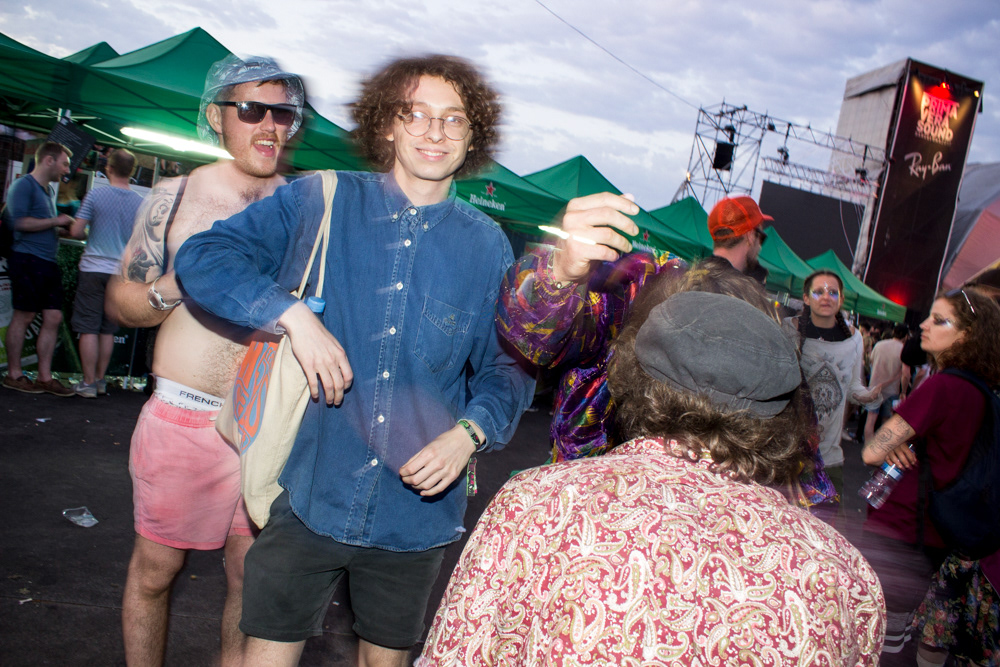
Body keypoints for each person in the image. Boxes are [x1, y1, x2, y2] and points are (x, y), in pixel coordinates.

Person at [174, 55, 533, 667]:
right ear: (388, 124)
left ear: (473, 137)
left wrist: (468, 434)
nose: (434, 131)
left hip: (414, 513)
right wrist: (291, 314)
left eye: (453, 119)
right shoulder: (321, 198)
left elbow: (509, 369)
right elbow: (203, 258)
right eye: (415, 114)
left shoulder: (488, 246)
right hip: (311, 488)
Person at [420, 268, 885, 666]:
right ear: (785, 411)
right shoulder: (841, 577)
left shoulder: (534, 507)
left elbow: (457, 652)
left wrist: (559, 268)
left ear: (629, 372)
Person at [105, 55, 306, 666]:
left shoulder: (306, 209)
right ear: (218, 117)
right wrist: (176, 284)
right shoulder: (176, 197)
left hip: (268, 425)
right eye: (251, 110)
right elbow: (120, 302)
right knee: (156, 570)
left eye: (283, 114)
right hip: (183, 418)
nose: (268, 125)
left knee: (251, 583)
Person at [497, 194, 769, 463]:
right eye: (762, 237)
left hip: (678, 477)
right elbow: (531, 333)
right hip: (595, 473)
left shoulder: (759, 315)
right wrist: (559, 273)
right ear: (750, 236)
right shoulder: (659, 278)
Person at [862, 287, 1000, 667]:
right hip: (935, 533)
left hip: (901, 529)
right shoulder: (981, 391)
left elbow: (871, 451)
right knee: (901, 635)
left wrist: (891, 442)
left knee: (878, 639)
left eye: (939, 320)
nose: (923, 324)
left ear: (967, 335)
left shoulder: (943, 386)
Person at [787, 270, 882, 498]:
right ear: (806, 298)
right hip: (788, 455)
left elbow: (853, 387)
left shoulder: (854, 338)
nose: (826, 297)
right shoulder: (789, 329)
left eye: (832, 292)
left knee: (825, 518)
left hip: (829, 459)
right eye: (818, 292)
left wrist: (868, 396)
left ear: (841, 300)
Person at [68, 148, 143, 398]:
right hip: (119, 274)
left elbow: (76, 232)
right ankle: (100, 380)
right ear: (132, 171)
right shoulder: (140, 203)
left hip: (93, 268)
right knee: (108, 330)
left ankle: (88, 383)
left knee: (88, 327)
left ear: (108, 168)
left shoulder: (95, 195)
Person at [2, 141, 75, 396]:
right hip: (26, 259)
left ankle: (45, 377)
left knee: (53, 317)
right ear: (48, 160)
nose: (67, 170)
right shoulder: (23, 185)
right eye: (64, 163)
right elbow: (19, 223)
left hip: (46, 262)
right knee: (24, 315)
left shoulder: (47, 191)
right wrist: (56, 221)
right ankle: (14, 374)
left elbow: (38, 224)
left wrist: (59, 229)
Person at [862, 323, 908, 442]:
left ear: (893, 332)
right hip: (892, 391)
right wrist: (903, 391)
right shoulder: (903, 350)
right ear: (906, 336)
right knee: (886, 423)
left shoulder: (879, 345)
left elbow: (871, 361)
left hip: (874, 387)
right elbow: (905, 374)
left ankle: (867, 449)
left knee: (870, 421)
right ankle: (880, 449)